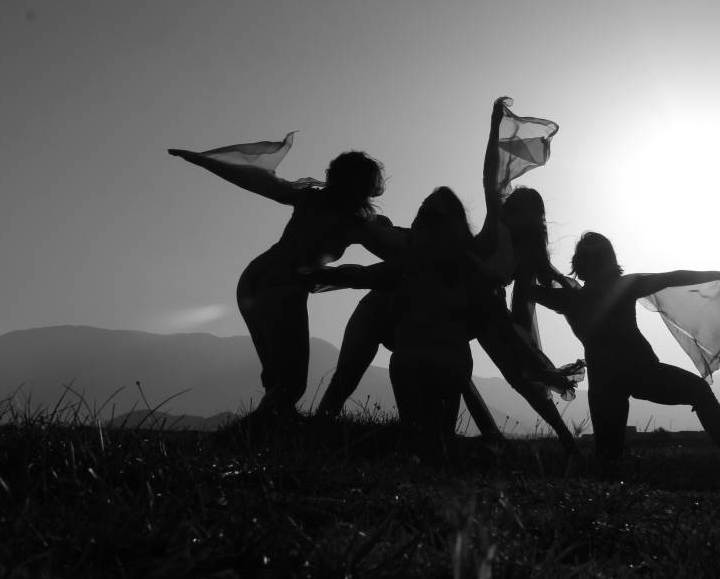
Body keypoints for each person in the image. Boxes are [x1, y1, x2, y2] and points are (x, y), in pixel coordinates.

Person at [315, 98, 583, 452]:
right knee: (350, 375)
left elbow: (516, 314)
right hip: (420, 299)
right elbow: (492, 181)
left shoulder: (516, 258)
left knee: (490, 381)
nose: (517, 214)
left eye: (526, 213)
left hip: (469, 307)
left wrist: (530, 356)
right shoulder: (484, 236)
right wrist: (494, 128)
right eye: (515, 209)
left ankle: (558, 438)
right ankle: (320, 428)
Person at [167, 138, 385, 424]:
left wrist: (202, 160)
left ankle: (275, 433)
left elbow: (259, 181)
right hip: (282, 286)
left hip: (254, 279)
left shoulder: (310, 198)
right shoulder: (356, 223)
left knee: (275, 376)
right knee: (291, 384)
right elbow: (394, 249)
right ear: (367, 186)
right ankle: (237, 440)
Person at [531, 232, 720, 466]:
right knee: (609, 458)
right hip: (638, 373)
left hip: (613, 380)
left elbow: (673, 277)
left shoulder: (574, 298)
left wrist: (523, 269)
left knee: (608, 459)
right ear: (610, 261)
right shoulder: (616, 288)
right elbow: (673, 277)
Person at [310, 187, 492, 454]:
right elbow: (365, 273)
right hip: (379, 314)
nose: (426, 216)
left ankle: (433, 441)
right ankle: (318, 431)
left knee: (438, 425)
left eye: (433, 211)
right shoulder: (411, 247)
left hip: (424, 340)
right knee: (346, 378)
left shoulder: (465, 262)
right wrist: (317, 274)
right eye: (423, 209)